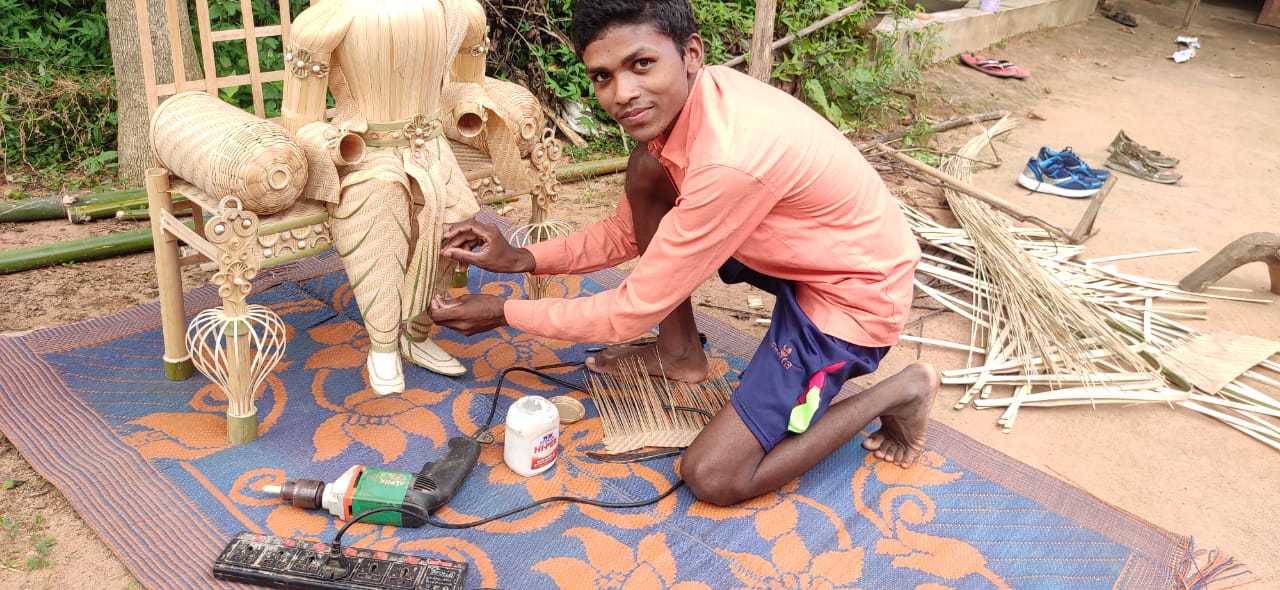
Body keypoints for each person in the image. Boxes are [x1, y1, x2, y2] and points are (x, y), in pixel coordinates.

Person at [429, 0, 939, 506]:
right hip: (800, 250)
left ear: (691, 53)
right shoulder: (689, 111)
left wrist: (505, 312)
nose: (623, 94)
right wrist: (522, 258)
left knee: (715, 475)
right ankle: (680, 354)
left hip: (854, 294)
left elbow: (629, 310)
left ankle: (902, 392)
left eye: (641, 64)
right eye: (603, 76)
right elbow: (626, 234)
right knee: (647, 171)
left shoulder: (729, 159)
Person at [280, 0, 493, 394]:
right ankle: (382, 344)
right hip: (363, 150)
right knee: (379, 210)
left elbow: (468, 86)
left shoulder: (460, 10)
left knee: (454, 221)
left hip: (433, 148)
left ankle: (419, 332)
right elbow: (299, 119)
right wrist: (331, 144)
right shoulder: (326, 19)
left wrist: (464, 107)